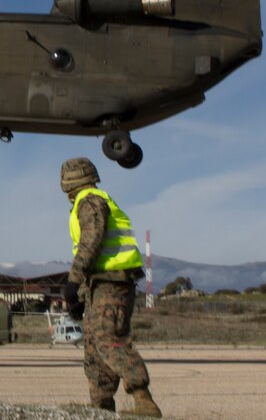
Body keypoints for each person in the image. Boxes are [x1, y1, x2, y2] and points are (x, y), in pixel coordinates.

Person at [60, 157, 162, 417]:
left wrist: (73, 280)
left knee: (108, 339)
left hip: (113, 283)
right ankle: (101, 409)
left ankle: (144, 401)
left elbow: (92, 240)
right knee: (94, 351)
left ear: (68, 183)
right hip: (99, 285)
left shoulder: (89, 200)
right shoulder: (89, 200)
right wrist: (80, 296)